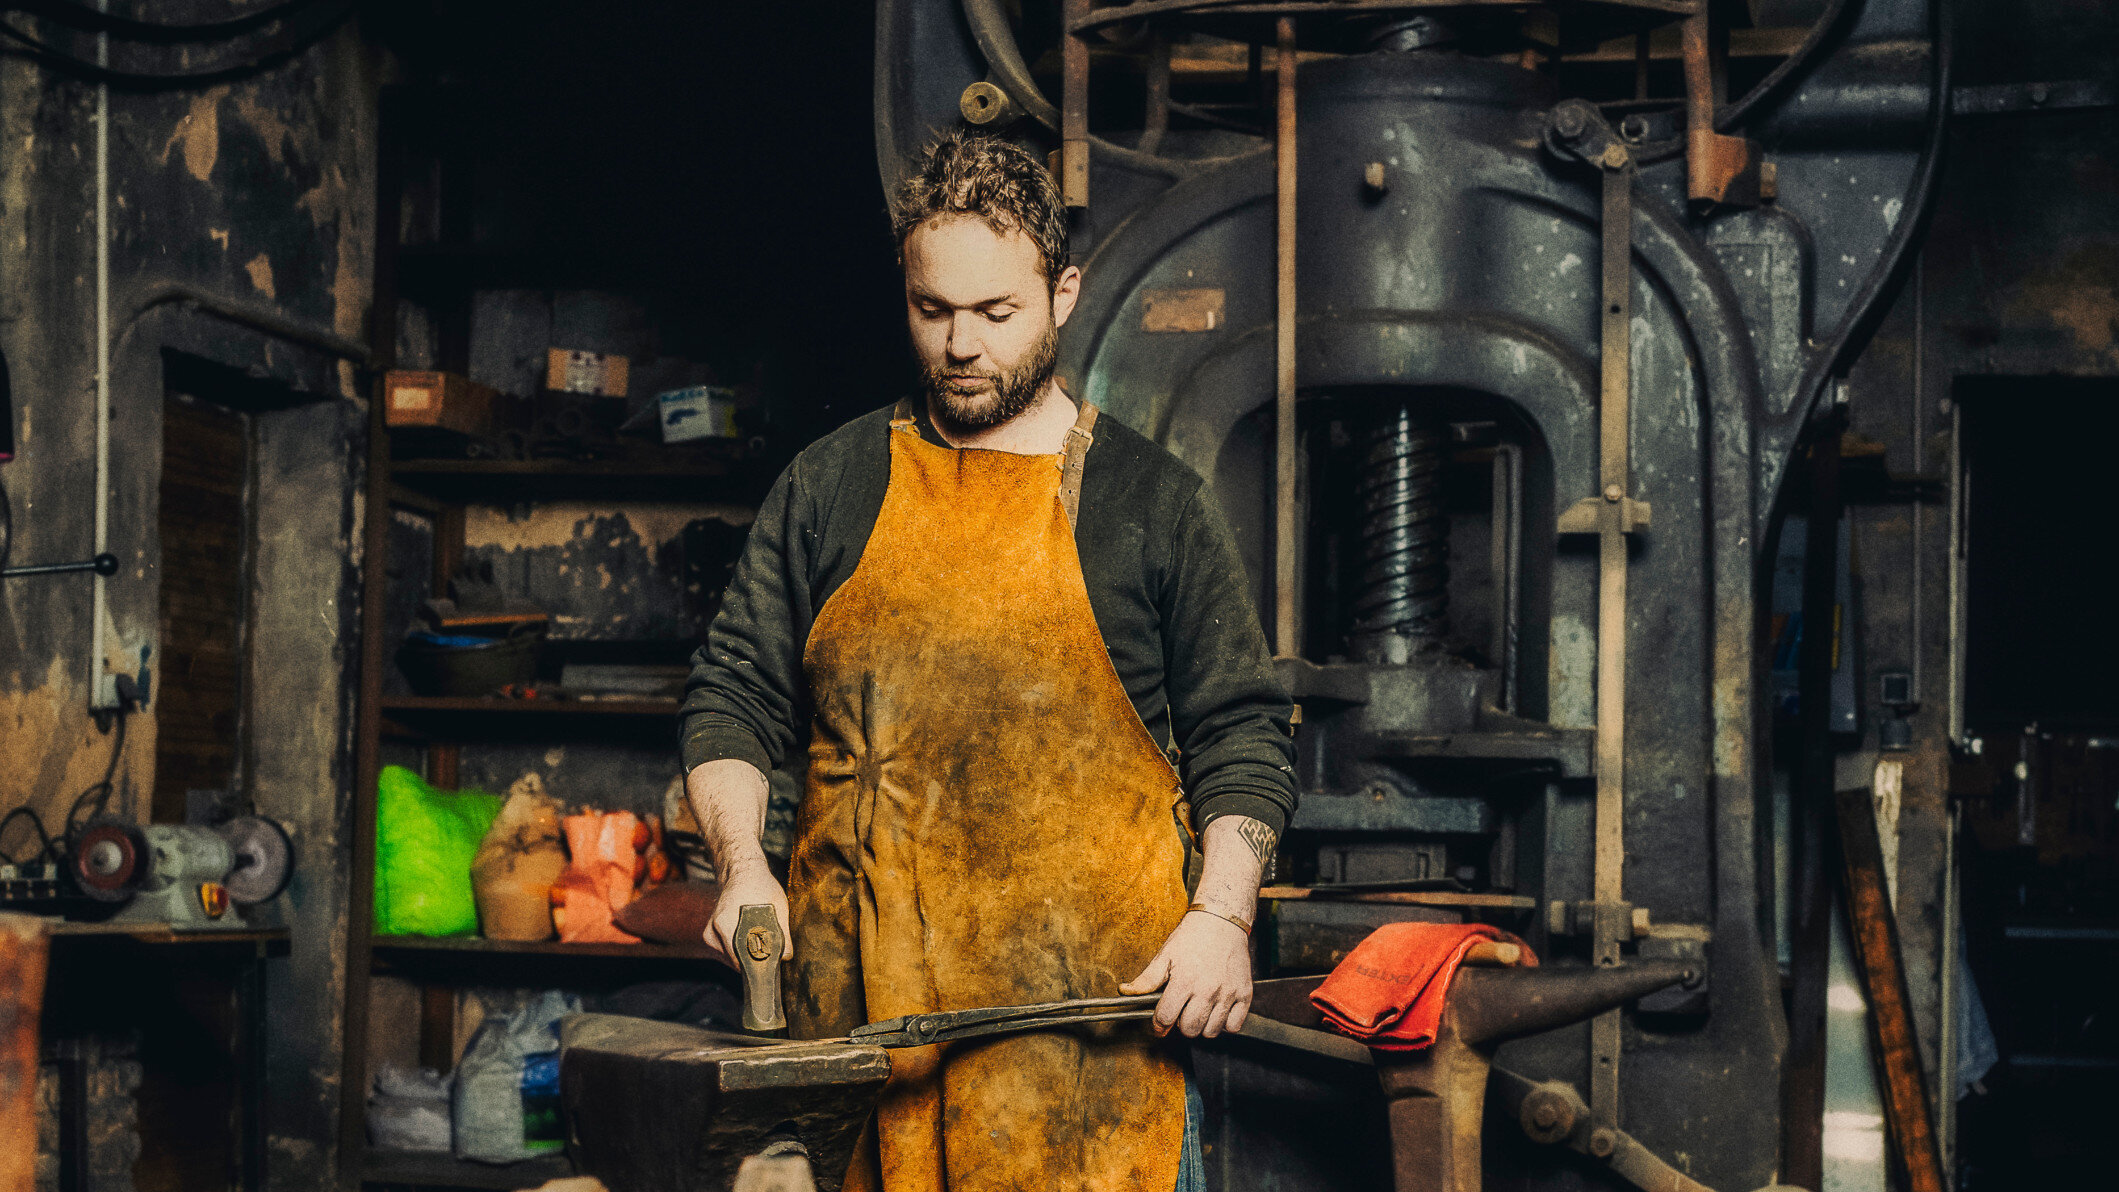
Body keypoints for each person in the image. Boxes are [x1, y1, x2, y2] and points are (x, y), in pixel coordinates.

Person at [679, 132, 1295, 1192]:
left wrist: (1221, 914)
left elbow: (1240, 731)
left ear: (1062, 294)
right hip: (856, 1038)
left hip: (1089, 1048)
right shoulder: (831, 486)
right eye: (933, 310)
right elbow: (733, 694)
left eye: (996, 313)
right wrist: (743, 867)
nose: (961, 344)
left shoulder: (1149, 504)